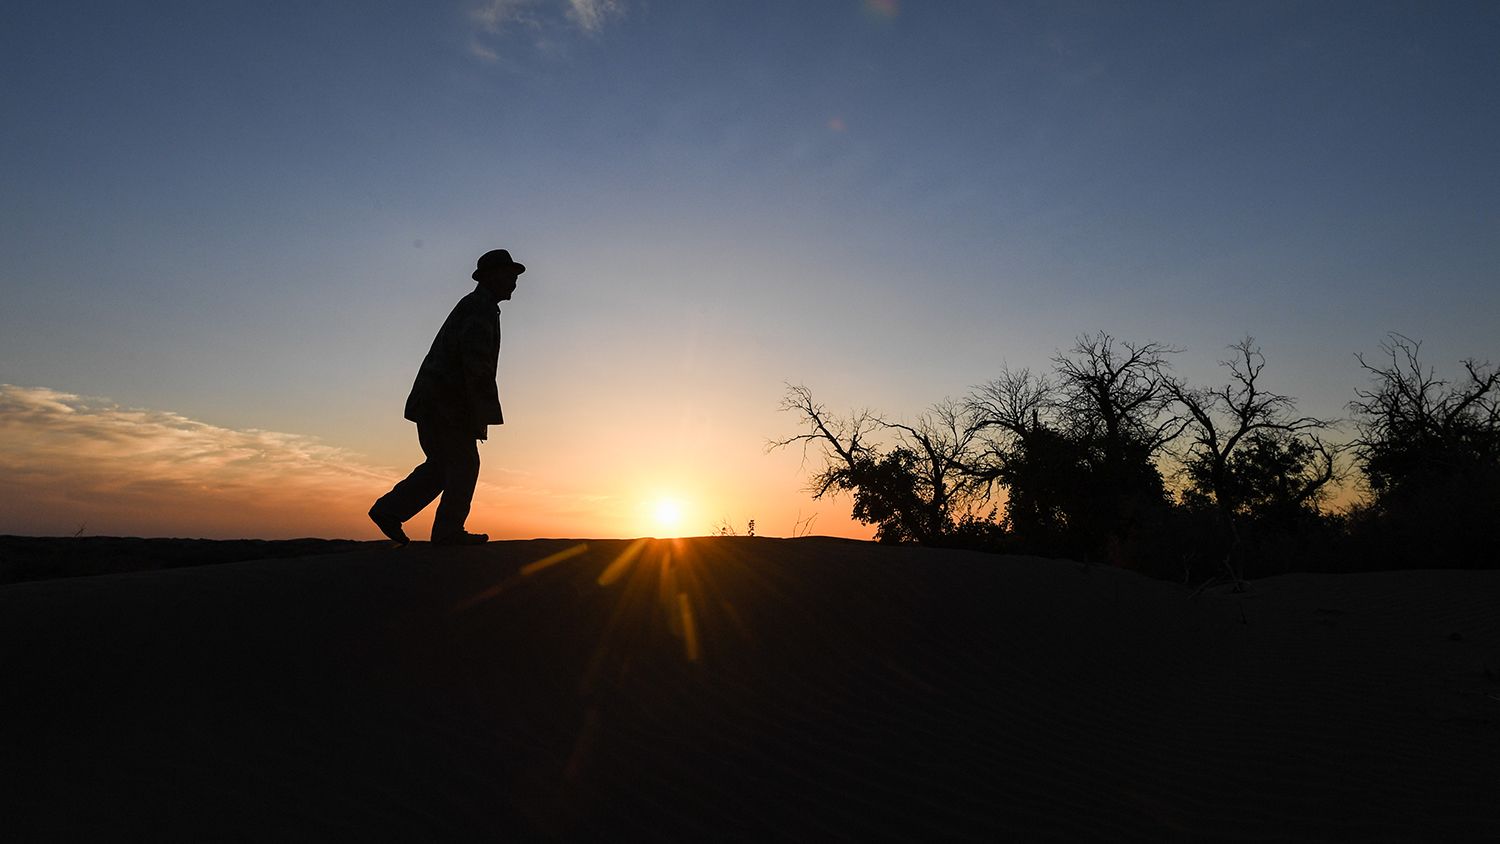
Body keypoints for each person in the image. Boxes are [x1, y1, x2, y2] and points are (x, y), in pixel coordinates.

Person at [368, 249, 524, 546]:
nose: (514, 283)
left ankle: (389, 511)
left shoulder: (479, 306)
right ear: (491, 277)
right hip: (445, 403)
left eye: (515, 277)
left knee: (443, 466)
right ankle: (447, 532)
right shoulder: (479, 309)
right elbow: (475, 365)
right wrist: (479, 414)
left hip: (436, 401)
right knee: (463, 465)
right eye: (509, 276)